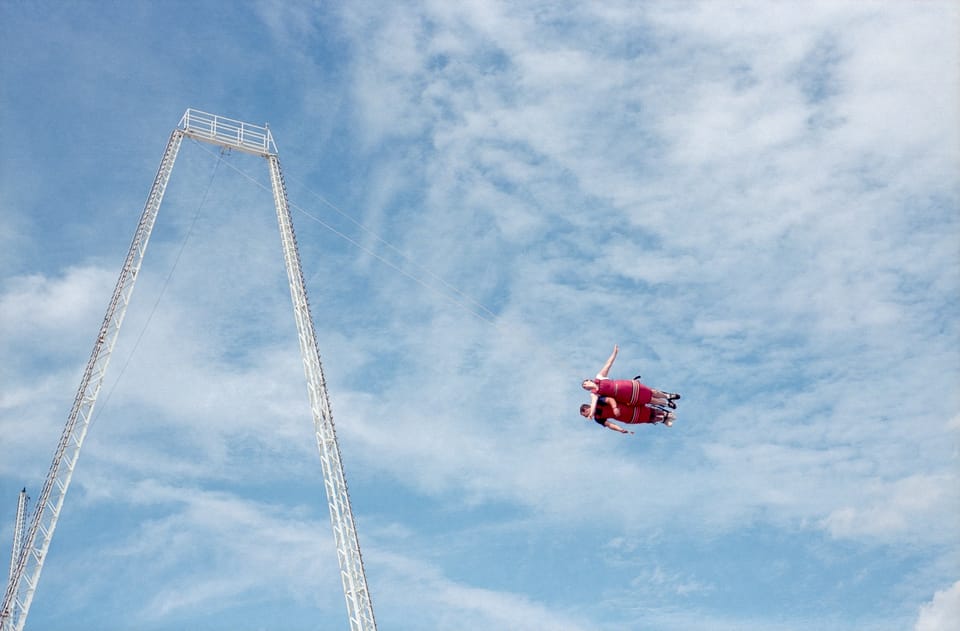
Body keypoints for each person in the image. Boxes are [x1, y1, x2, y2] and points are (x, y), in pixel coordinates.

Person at [581, 345, 680, 418]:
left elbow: (608, 364)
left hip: (628, 386)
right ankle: (666, 404)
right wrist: (591, 413)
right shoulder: (594, 394)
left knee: (651, 392)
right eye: (584, 387)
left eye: (585, 384)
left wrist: (614, 353)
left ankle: (668, 396)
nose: (586, 386)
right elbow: (593, 404)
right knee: (649, 399)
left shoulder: (599, 377)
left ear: (589, 380)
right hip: (626, 397)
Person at [579, 397, 675, 434]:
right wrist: (620, 429)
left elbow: (610, 400)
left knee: (648, 411)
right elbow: (609, 424)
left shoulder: (598, 401)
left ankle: (665, 413)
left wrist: (614, 408)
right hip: (626, 418)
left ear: (587, 408)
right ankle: (663, 420)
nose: (587, 417)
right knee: (646, 418)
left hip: (628, 407)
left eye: (585, 414)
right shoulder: (598, 418)